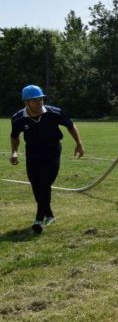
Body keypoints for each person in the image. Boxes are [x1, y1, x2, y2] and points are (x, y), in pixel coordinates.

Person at [9, 85, 84, 233]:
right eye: (35, 100)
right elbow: (14, 136)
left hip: (52, 152)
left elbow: (70, 125)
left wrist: (79, 144)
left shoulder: (54, 112)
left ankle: (38, 219)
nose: (39, 103)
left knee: (45, 183)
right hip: (32, 153)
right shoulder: (17, 118)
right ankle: (49, 215)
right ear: (26, 102)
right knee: (36, 185)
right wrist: (14, 152)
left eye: (41, 99)